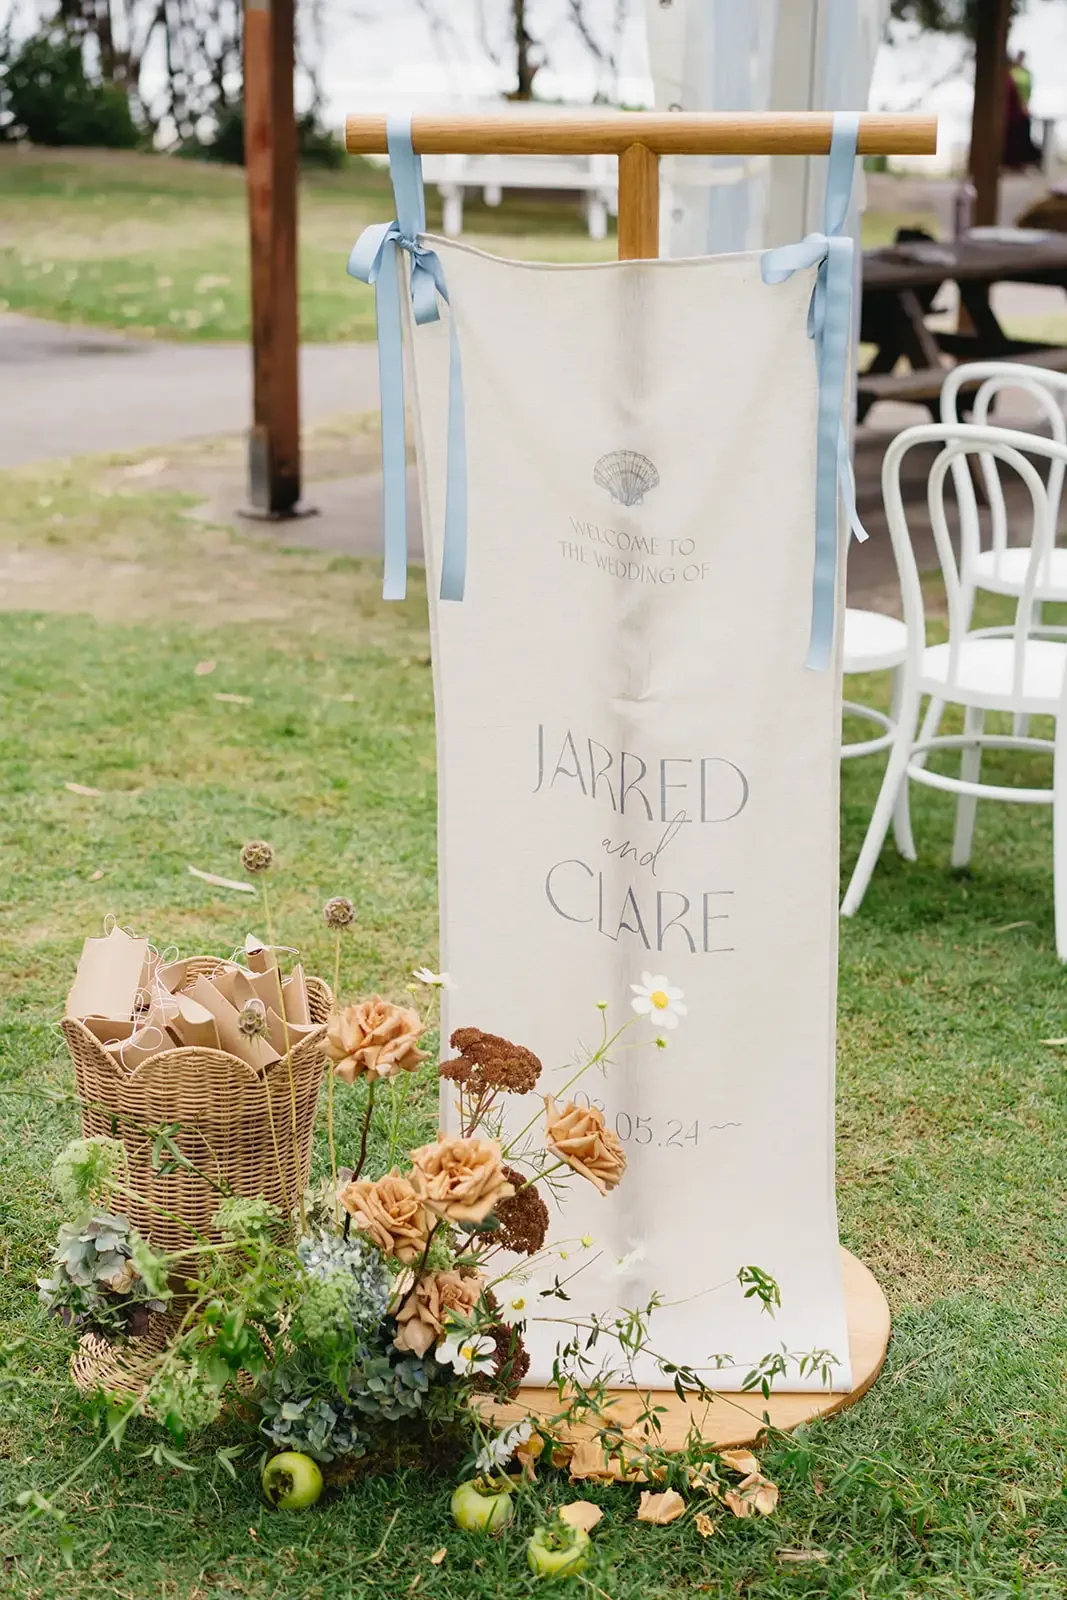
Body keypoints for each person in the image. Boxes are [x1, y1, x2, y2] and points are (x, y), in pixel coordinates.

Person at [1003, 59, 1040, 170]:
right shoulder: (1011, 76)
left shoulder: (1019, 75)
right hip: (1011, 116)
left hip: (1014, 115)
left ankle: (1017, 161)